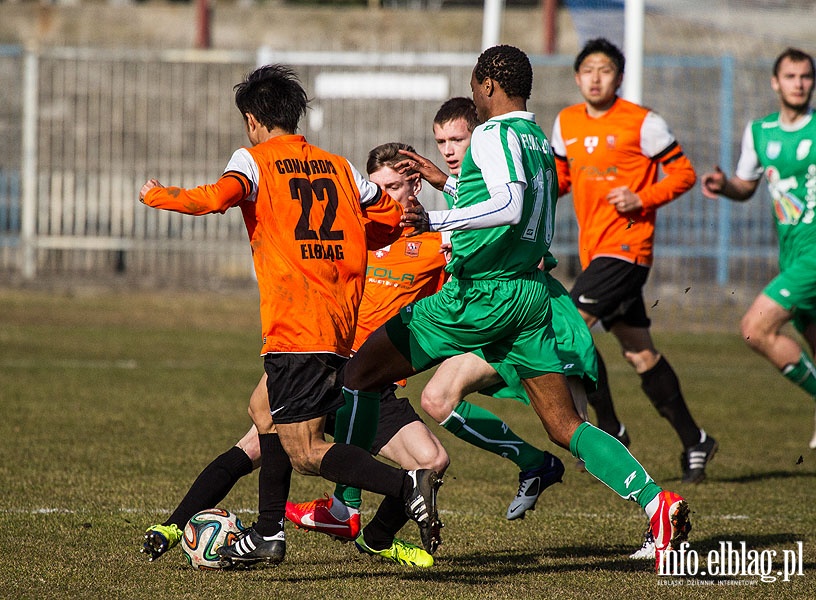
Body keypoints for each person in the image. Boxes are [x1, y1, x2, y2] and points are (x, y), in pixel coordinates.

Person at [344, 44, 691, 572]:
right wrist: (445, 182)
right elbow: (514, 196)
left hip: (481, 294)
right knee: (563, 423)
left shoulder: (492, 133)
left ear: (487, 86)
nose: (473, 99)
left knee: (358, 374)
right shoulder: (535, 137)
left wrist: (433, 221)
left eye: (474, 86)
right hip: (529, 296)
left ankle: (347, 510)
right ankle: (658, 505)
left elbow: (506, 205)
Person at [139, 65, 443, 568]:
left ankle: (405, 483)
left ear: (254, 120)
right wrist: (362, 237)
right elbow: (389, 216)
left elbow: (217, 198)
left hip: (296, 324)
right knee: (262, 409)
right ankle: (269, 532)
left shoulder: (253, 160)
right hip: (337, 323)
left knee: (305, 450)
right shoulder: (340, 166)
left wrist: (158, 195)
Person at [550, 37, 718, 484]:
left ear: (619, 77)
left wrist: (641, 197)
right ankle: (695, 439)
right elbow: (561, 180)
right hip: (595, 250)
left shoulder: (643, 122)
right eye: (587, 70)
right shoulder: (566, 122)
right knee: (639, 352)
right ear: (577, 77)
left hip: (627, 250)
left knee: (571, 326)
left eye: (604, 70)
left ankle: (610, 428)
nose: (595, 77)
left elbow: (683, 173)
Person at [701, 47, 816, 449]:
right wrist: (724, 186)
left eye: (805, 76)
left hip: (814, 257)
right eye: (791, 76)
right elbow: (746, 186)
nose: (799, 84)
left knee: (755, 328)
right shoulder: (760, 132)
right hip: (792, 254)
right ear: (776, 82)